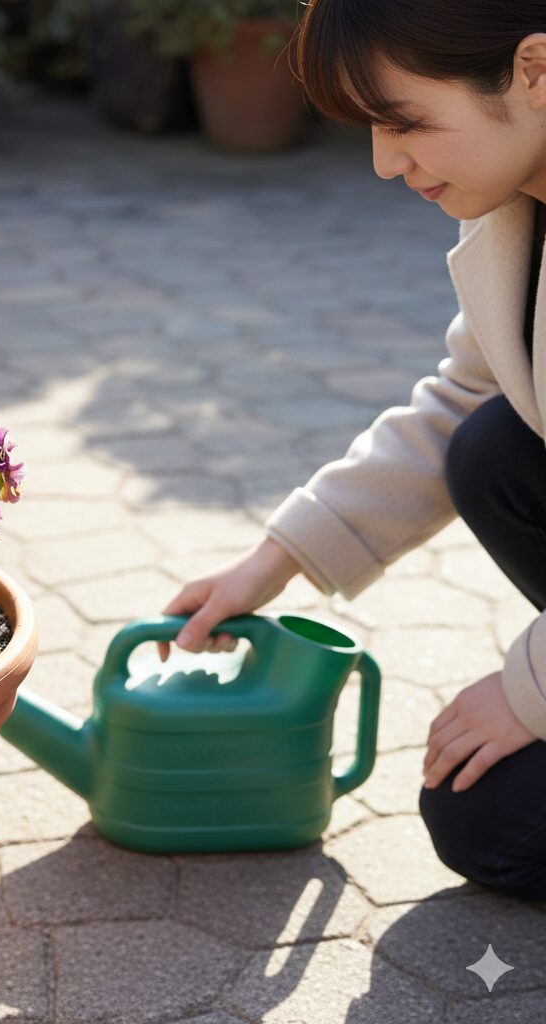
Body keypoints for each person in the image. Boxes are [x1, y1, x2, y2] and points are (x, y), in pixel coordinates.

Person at [158, 0, 546, 902]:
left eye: (405, 121)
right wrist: (276, 560)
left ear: (534, 71)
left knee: (491, 824)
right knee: (490, 445)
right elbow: (464, 398)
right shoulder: (515, 204)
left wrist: (527, 691)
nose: (383, 162)